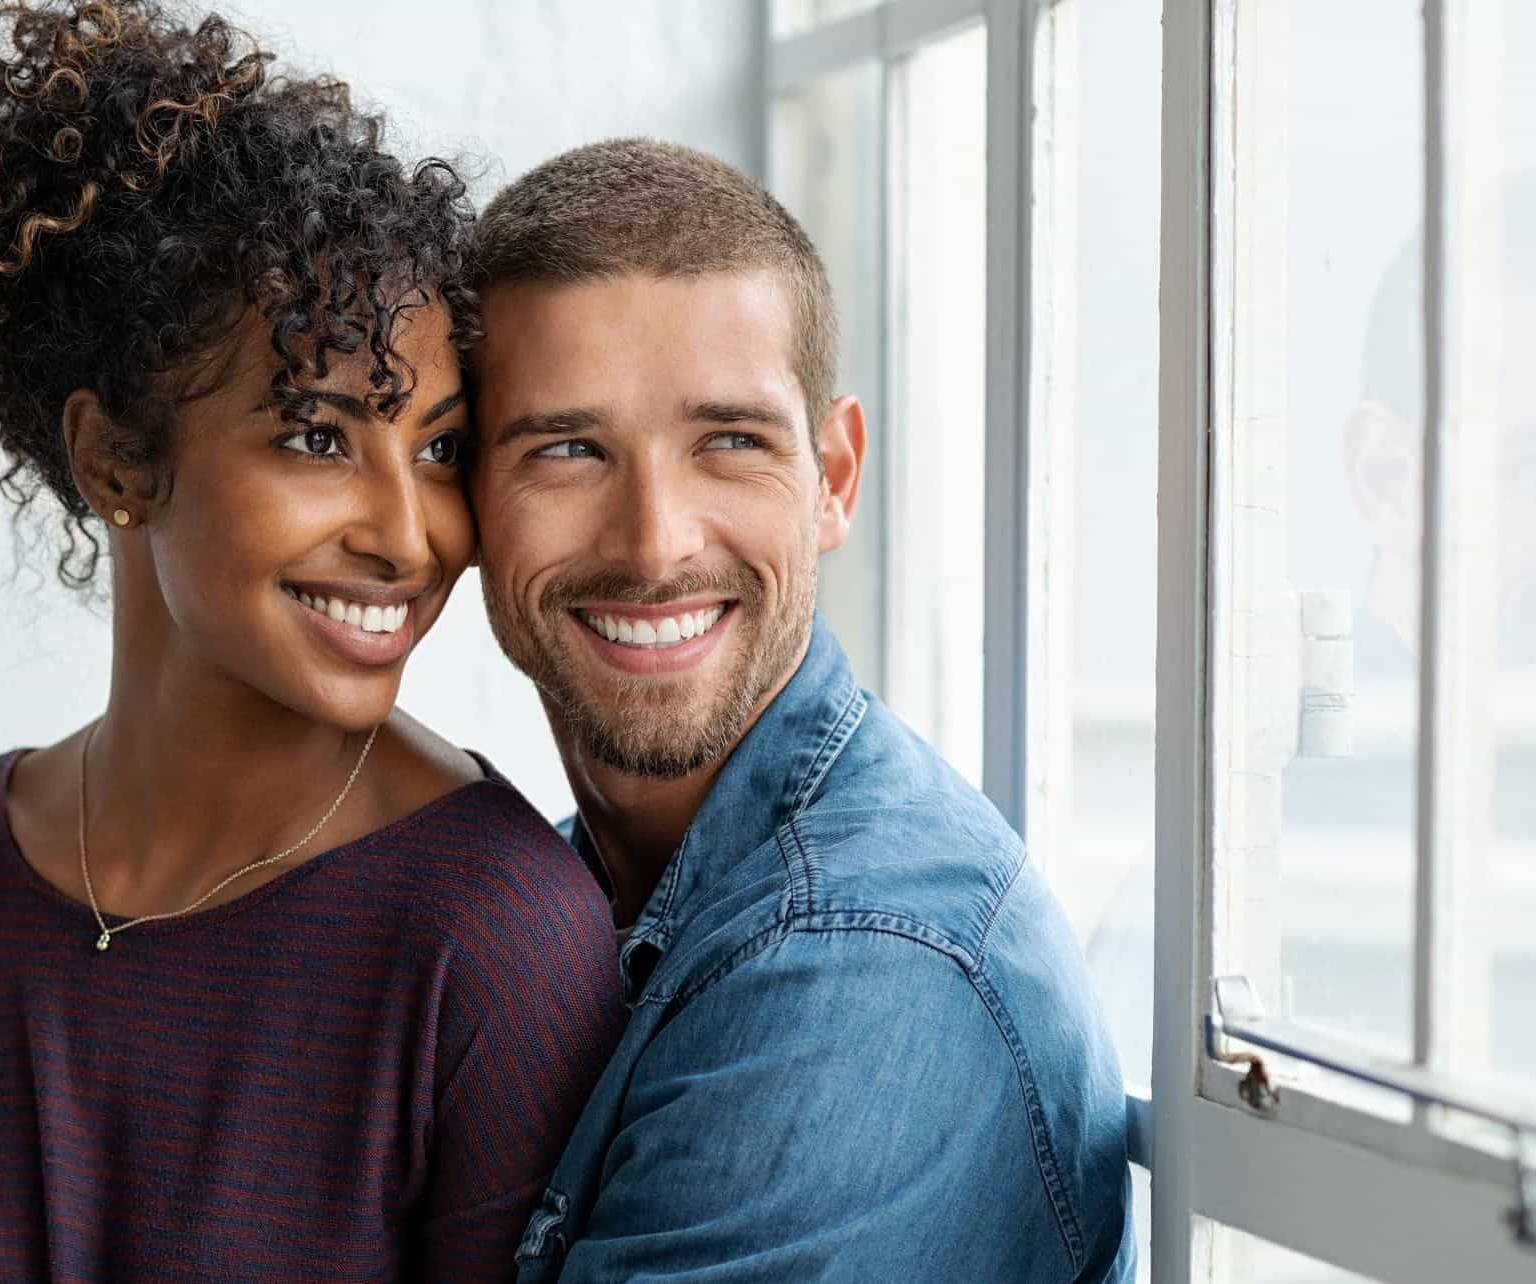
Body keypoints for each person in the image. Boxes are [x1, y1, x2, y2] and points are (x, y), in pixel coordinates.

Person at [0, 3, 622, 1278]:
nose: (409, 535)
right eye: (316, 435)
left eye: (439, 448)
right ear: (115, 456)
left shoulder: (495, 942)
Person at [468, 139, 1137, 1281]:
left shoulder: (860, 964)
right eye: (568, 450)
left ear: (832, 476)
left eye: (730, 442)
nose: (653, 542)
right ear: (462, 492)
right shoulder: (579, 888)